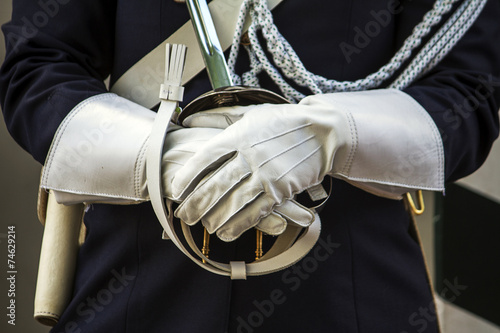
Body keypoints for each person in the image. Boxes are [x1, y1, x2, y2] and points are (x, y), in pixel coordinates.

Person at [1, 0, 499, 332]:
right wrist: (152, 156)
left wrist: (334, 134)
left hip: (349, 294)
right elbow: (39, 66)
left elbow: (466, 94)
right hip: (135, 291)